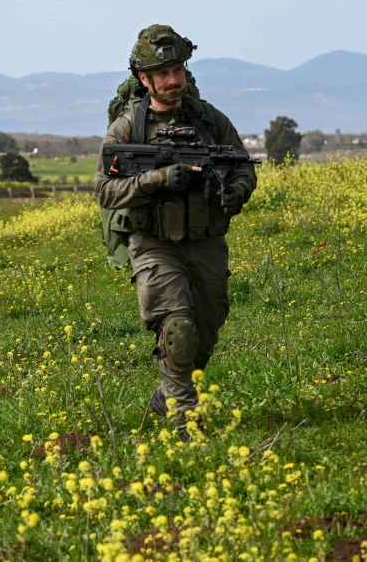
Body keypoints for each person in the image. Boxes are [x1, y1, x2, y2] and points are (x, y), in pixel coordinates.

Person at [94, 25, 256, 440]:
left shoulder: (208, 119)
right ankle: (187, 425)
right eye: (162, 72)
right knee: (178, 329)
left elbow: (242, 165)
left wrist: (235, 191)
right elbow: (106, 191)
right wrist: (159, 179)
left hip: (205, 241)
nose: (173, 79)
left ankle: (167, 391)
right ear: (143, 79)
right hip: (153, 243)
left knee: (204, 331)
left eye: (178, 69)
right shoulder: (127, 129)